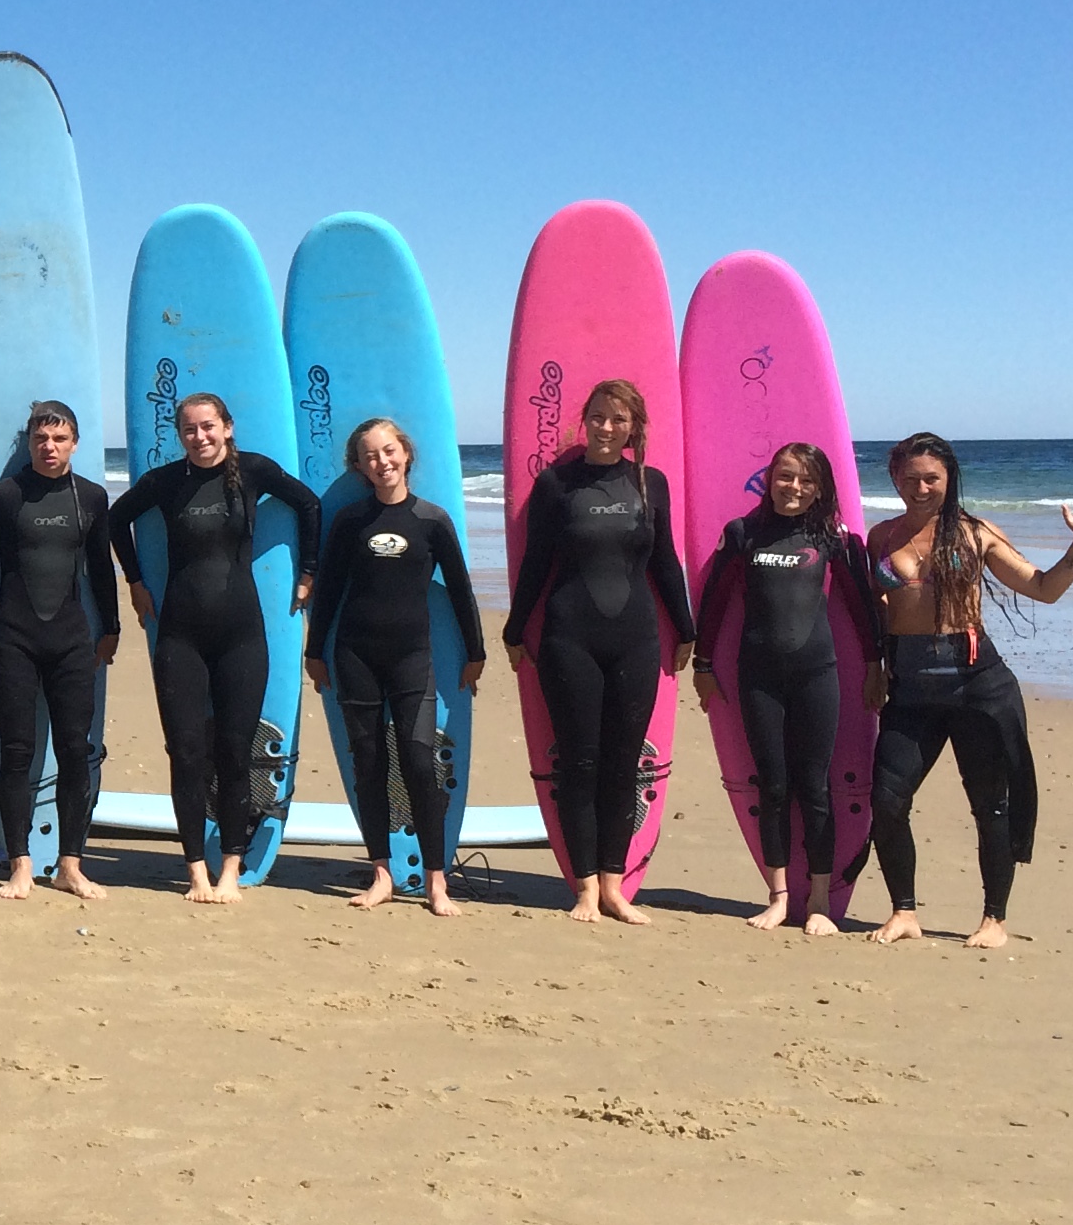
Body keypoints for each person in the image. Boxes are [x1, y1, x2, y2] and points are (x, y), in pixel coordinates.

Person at [866, 431, 1073, 949]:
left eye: (932, 478)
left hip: (978, 686)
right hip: (911, 688)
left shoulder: (976, 534)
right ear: (895, 479)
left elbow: (1044, 588)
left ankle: (994, 919)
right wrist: (874, 667)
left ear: (950, 480)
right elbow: (874, 612)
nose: (921, 488)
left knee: (990, 805)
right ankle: (903, 911)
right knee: (885, 798)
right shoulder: (880, 538)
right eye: (910, 479)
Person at [109, 391, 323, 904]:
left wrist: (308, 574)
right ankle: (195, 873)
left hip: (241, 636)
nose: (200, 437)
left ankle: (231, 868)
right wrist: (135, 581)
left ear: (227, 427)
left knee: (233, 753)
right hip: (179, 637)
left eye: (208, 427)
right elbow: (117, 520)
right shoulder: (166, 482)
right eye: (189, 430)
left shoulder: (253, 470)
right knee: (184, 754)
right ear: (179, 436)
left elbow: (309, 505)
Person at [500, 378, 697, 923]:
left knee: (623, 766)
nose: (607, 428)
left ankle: (615, 886)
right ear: (583, 421)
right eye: (598, 417)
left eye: (618, 419)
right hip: (569, 639)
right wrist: (515, 631)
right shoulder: (557, 483)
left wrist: (685, 630)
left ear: (634, 427)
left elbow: (666, 562)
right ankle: (584, 887)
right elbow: (536, 562)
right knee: (580, 764)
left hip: (636, 639)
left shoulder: (649, 483)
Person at [694, 442, 884, 935]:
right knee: (773, 787)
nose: (793, 488)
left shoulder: (833, 538)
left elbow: (860, 606)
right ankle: (778, 895)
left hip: (817, 674)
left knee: (815, 788)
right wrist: (703, 662)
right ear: (769, 480)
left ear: (819, 487)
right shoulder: (744, 533)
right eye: (784, 477)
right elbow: (714, 601)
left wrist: (873, 662)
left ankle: (819, 899)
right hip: (757, 676)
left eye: (804, 480)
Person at [303, 417, 486, 917]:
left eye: (389, 451)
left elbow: (460, 591)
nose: (381, 462)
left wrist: (476, 653)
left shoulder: (432, 520)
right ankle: (381, 871)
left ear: (405, 454)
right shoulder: (349, 523)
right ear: (359, 466)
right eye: (370, 456)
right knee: (368, 764)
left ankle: (435, 880)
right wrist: (314, 652)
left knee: (419, 761)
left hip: (412, 657)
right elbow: (330, 593)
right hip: (355, 655)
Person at [0, 400, 122, 903]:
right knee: (18, 753)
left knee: (74, 753)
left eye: (60, 439)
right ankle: (19, 864)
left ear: (75, 443)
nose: (50, 447)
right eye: (41, 439)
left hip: (71, 639)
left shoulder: (90, 497)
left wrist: (111, 626)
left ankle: (70, 864)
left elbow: (101, 570)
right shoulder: (4, 496)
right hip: (13, 638)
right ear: (29, 442)